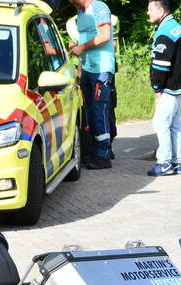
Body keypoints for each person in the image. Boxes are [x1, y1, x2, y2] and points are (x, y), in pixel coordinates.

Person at [68, 0, 116, 170]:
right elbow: (84, 39)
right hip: (87, 67)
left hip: (101, 67)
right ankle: (94, 151)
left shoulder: (99, 7)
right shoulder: (80, 12)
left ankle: (104, 155)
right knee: (89, 111)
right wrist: (80, 69)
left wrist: (82, 47)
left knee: (99, 110)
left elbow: (105, 36)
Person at [147, 0, 181, 177]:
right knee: (174, 124)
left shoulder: (165, 31)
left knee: (160, 123)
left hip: (171, 86)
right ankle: (177, 162)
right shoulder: (176, 27)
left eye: (150, 9)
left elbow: (161, 65)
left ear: (159, 8)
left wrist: (157, 88)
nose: (148, 13)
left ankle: (164, 163)